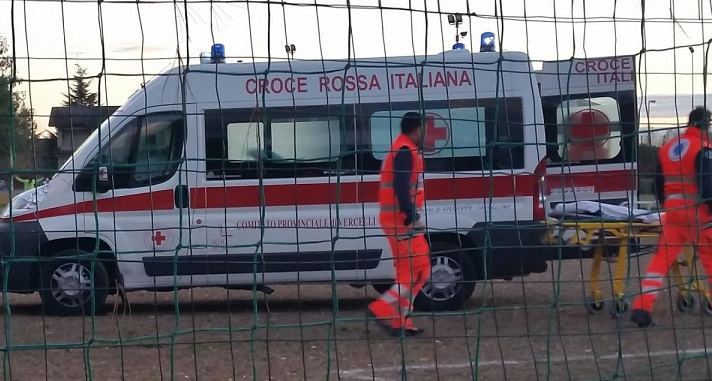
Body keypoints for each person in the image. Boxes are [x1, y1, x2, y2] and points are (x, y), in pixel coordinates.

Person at [631, 106, 712, 328]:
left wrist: (666, 204)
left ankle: (642, 307)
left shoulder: (668, 148)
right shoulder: (704, 148)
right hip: (698, 212)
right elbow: (707, 182)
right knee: (709, 258)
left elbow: (658, 182)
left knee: (661, 260)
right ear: (705, 124)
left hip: (673, 212)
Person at [368, 111, 432, 338]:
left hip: (397, 220)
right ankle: (384, 308)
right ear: (417, 130)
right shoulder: (405, 151)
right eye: (424, 129)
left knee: (411, 270)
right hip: (401, 221)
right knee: (419, 268)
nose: (426, 134)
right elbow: (401, 185)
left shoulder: (402, 148)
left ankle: (400, 321)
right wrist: (411, 215)